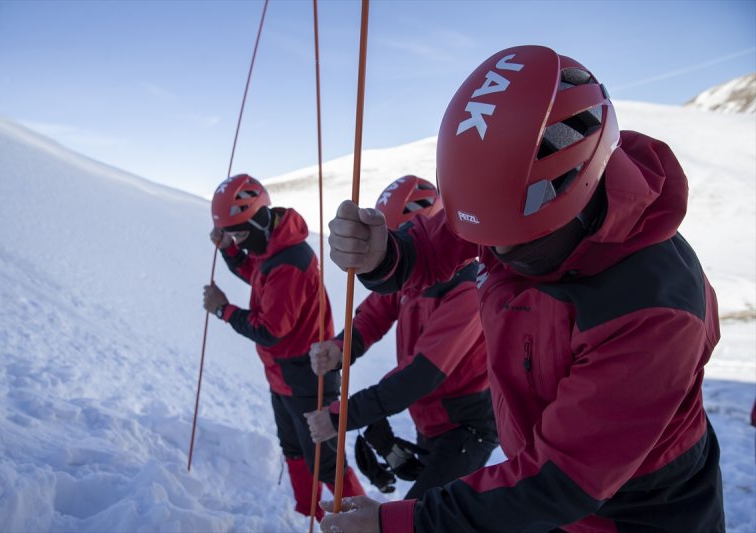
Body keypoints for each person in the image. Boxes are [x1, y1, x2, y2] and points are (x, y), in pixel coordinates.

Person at [320, 45, 724, 532]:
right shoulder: (517, 194)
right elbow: (443, 241)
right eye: (486, 237)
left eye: (517, 242)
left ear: (580, 191)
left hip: (636, 513)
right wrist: (386, 255)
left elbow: (558, 480)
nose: (493, 254)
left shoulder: (653, 308)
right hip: (539, 488)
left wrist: (401, 524)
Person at [304, 175, 499, 499]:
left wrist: (341, 417)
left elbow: (420, 375)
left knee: (421, 518)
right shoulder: (407, 278)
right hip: (430, 421)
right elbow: (375, 314)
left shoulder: (466, 291)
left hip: (467, 427)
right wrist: (341, 348)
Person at [201, 173, 364, 522]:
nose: (239, 243)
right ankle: (309, 514)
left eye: (241, 234)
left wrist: (222, 309)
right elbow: (257, 275)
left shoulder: (290, 260)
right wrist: (229, 248)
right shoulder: (272, 249)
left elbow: (271, 329)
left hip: (308, 376)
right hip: (283, 375)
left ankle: (363, 524)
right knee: (293, 447)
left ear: (261, 219)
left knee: (326, 462)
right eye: (233, 235)